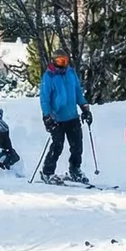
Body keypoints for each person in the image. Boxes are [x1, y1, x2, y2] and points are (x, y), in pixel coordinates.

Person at [38, 49, 92, 184]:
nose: (63, 63)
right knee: (57, 145)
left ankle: (75, 169)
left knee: (77, 146)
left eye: (65, 60)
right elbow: (45, 99)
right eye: (60, 61)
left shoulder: (71, 73)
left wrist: (84, 108)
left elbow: (78, 92)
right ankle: (47, 172)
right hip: (57, 118)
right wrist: (47, 116)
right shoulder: (49, 77)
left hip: (72, 116)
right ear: (54, 61)